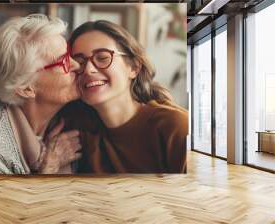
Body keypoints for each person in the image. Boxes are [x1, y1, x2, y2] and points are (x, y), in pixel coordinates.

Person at [63, 20, 188, 173]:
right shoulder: (77, 131)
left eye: (102, 58)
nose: (88, 69)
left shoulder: (175, 126)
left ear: (134, 67)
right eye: (79, 62)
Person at [0, 14, 82, 174]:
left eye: (69, 54)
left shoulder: (68, 120)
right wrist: (48, 170)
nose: (77, 65)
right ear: (26, 88)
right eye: (63, 61)